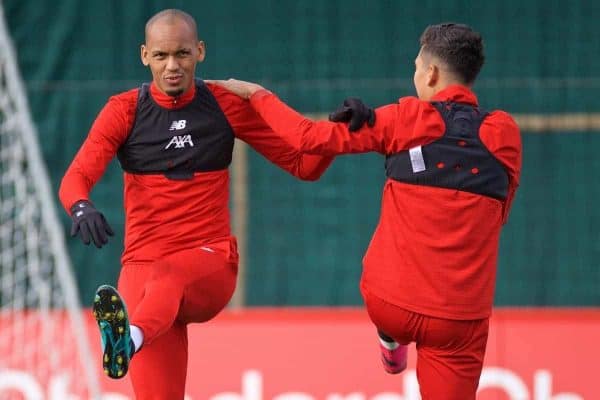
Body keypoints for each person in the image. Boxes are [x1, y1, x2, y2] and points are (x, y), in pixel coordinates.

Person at [208, 22, 522, 400]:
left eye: (416, 67)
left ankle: (391, 339)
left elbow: (306, 137)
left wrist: (258, 95)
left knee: (385, 285)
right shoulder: (504, 131)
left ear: (432, 73)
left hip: (390, 303)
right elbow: (501, 209)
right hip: (459, 319)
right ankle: (395, 339)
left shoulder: (406, 118)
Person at [58, 8, 334, 399]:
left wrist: (334, 138)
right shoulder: (124, 110)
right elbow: (75, 177)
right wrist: (80, 206)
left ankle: (129, 338)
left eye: (183, 54)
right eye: (161, 56)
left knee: (168, 275)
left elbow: (304, 165)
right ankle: (134, 335)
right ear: (144, 56)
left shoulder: (224, 103)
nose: (172, 66)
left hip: (209, 263)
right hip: (144, 272)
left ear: (200, 51)